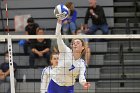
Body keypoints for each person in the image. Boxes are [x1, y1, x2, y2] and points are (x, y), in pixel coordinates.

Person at [47, 20, 90, 93]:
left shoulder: (81, 63)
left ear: (83, 47)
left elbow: (82, 77)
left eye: (78, 43)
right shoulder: (65, 50)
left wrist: (84, 83)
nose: (75, 44)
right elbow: (58, 35)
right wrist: (59, 22)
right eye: (74, 43)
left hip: (68, 88)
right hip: (55, 85)